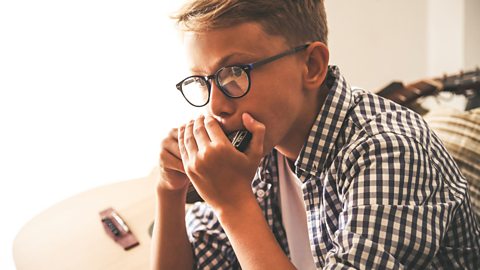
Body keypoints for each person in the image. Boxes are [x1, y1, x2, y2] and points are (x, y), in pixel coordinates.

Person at [150, 1, 480, 269]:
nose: (216, 106)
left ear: (311, 65)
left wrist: (234, 203)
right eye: (202, 81)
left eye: (235, 73)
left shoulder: (391, 153)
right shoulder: (262, 144)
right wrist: (170, 191)